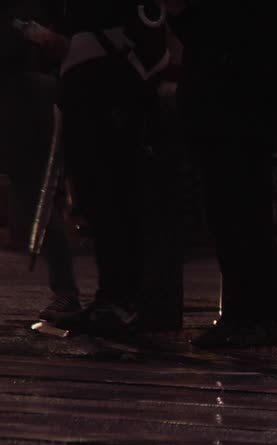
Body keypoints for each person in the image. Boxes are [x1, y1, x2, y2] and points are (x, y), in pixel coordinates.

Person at [165, 0, 277, 348]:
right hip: (228, 105)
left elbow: (230, 37)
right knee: (231, 217)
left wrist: (187, 16)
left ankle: (255, 314)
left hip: (239, 107)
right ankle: (245, 313)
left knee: (244, 217)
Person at [46, 0, 169, 337]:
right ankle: (113, 295)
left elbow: (148, 35)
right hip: (91, 86)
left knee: (115, 198)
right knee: (101, 200)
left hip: (110, 88)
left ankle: (121, 298)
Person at [0, 0, 81, 323]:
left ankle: (65, 290)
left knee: (36, 192)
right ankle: (65, 290)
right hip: (19, 93)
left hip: (20, 97)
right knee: (35, 191)